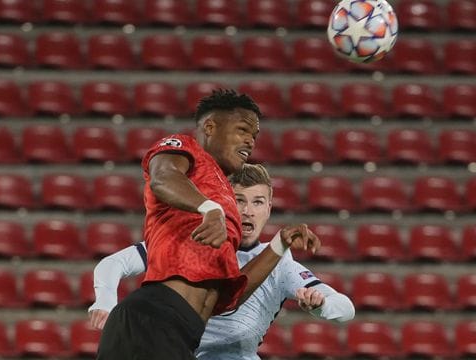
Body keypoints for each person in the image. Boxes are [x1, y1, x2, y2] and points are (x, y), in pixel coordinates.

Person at [96, 90, 320, 360]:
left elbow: (228, 300)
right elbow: (163, 178)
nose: (250, 140)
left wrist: (280, 243)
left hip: (182, 332)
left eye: (255, 135)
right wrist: (209, 208)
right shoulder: (183, 149)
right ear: (210, 127)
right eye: (242, 130)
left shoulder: (224, 194)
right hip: (152, 320)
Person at [91, 164, 355, 360]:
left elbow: (345, 308)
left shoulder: (280, 263)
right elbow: (112, 264)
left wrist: (320, 306)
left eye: (258, 202)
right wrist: (104, 302)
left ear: (269, 208)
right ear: (225, 203)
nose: (248, 210)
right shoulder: (192, 241)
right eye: (239, 200)